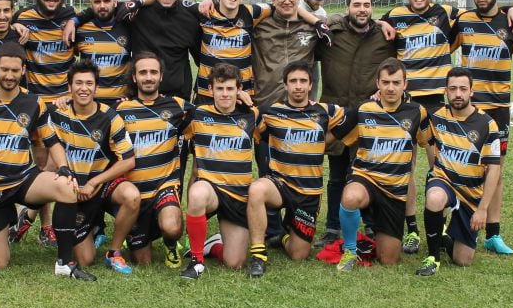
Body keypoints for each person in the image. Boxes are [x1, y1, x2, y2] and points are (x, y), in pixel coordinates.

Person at [381, 0, 513, 254]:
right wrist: (379, 24)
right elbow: (372, 28)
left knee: (441, 168)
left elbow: (485, 11)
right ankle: (411, 230)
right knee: (406, 166)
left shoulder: (447, 13)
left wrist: (510, 8)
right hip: (407, 103)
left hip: (437, 104)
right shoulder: (393, 16)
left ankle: (444, 225)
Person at [0, 43, 93, 279]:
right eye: (4, 70)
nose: (9, 76)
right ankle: (0, 221)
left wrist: (63, 167)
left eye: (15, 70)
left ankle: (64, 262)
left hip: (23, 181)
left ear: (23, 71)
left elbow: (52, 141)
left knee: (66, 186)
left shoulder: (34, 103)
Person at [450, 0, 513, 255]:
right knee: (460, 165)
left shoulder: (510, 24)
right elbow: (440, 46)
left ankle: (493, 234)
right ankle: (458, 224)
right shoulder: (463, 22)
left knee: (496, 170)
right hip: (468, 109)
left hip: (498, 111)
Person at [246, 61, 349, 277]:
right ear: (285, 85)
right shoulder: (270, 112)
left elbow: (353, 119)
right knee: (256, 189)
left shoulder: (326, 111)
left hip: (308, 193)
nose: (298, 86)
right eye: (293, 81)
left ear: (311, 84)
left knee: (298, 254)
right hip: (280, 184)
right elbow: (251, 121)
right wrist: (241, 97)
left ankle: (283, 234)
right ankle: (258, 255)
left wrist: (322, 142)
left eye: (303, 81)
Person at [312, 0, 395, 249]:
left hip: (368, 118)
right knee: (337, 176)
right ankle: (332, 227)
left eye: (367, 5)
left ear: (372, 8)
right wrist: (331, 20)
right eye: (357, 5)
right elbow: (314, 21)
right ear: (348, 6)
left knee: (367, 174)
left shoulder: (385, 36)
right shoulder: (331, 33)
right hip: (336, 115)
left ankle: (370, 224)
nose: (362, 10)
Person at [46, 60, 140, 275]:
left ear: (96, 87)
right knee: (84, 259)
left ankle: (114, 252)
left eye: (89, 83)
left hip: (102, 184)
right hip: (73, 191)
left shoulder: (110, 117)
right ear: (69, 87)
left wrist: (95, 181)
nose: (84, 88)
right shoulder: (56, 113)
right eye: (78, 83)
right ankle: (94, 228)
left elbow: (128, 160)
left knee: (132, 196)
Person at [336, 58, 431, 271]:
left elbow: (429, 142)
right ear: (377, 83)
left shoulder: (417, 112)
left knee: (389, 259)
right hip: (366, 178)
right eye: (386, 82)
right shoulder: (364, 109)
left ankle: (378, 232)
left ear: (405, 84)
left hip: (394, 191)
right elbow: (335, 134)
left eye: (396, 83)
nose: (390, 88)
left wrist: (437, 173)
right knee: (350, 197)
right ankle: (350, 251)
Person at [10, 0, 77, 247]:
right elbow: (6, 23)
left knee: (59, 163)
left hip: (66, 104)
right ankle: (46, 226)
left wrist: (73, 19)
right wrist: (14, 24)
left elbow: (81, 15)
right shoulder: (24, 18)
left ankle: (31, 215)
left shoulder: (71, 17)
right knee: (42, 165)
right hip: (37, 104)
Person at [415, 67, 501, 276]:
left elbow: (494, 171)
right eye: (453, 89)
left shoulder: (487, 125)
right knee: (434, 197)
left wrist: (482, 209)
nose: (458, 94)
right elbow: (423, 137)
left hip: (470, 195)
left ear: (472, 91)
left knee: (463, 260)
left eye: (463, 89)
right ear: (446, 91)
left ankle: (444, 235)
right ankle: (433, 258)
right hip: (444, 182)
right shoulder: (437, 117)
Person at [180, 63, 261, 280]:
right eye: (219, 88)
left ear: (239, 90)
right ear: (211, 89)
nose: (225, 94)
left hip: (238, 195)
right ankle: (197, 261)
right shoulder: (196, 115)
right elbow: (164, 116)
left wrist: (250, 101)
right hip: (211, 189)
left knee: (234, 263)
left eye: (230, 89)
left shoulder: (252, 115)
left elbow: (274, 129)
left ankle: (213, 244)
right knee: (197, 193)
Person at [117, 52, 194, 267]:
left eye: (153, 72)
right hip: (134, 192)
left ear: (161, 77)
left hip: (164, 185)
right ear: (134, 78)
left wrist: (242, 99)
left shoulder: (179, 107)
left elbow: (212, 115)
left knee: (172, 227)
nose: (148, 77)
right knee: (143, 262)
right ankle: (139, 232)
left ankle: (171, 244)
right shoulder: (121, 110)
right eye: (143, 72)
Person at [73, 0, 132, 105]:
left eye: (107, 1)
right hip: (90, 102)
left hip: (121, 102)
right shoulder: (80, 30)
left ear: (115, 2)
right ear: (91, 3)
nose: (102, 6)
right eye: (97, 2)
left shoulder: (129, 27)